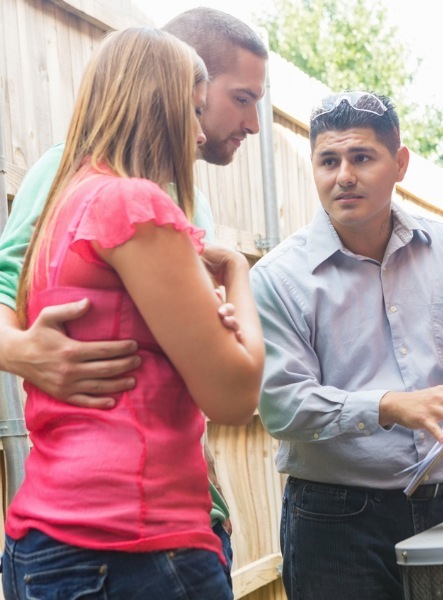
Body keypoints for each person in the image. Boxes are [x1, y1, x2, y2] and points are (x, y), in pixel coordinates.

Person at [0, 6, 268, 574]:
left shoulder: (107, 195)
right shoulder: (122, 197)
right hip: (132, 531)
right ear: (171, 88)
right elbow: (234, 393)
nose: (249, 122)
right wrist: (20, 349)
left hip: (74, 516)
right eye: (238, 99)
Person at [250, 91, 443, 600]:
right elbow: (282, 406)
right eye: (328, 161)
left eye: (362, 157)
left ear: (400, 163)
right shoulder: (278, 278)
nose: (344, 176)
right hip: (333, 523)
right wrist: (387, 406)